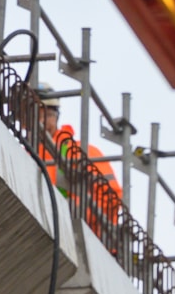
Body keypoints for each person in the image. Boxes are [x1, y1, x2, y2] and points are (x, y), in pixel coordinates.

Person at [38, 91, 124, 243]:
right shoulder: (24, 153)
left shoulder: (81, 151)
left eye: (48, 114)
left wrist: (77, 218)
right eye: (38, 114)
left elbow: (111, 197)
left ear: (57, 117)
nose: (43, 120)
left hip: (80, 234)